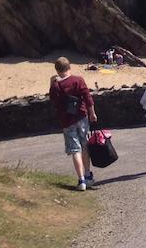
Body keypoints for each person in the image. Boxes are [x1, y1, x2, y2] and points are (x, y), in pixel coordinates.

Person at [49, 56, 97, 191]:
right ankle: (87, 175)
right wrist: (92, 113)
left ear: (57, 70)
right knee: (84, 145)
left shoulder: (56, 85)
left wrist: (52, 83)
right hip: (81, 116)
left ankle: (81, 180)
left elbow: (53, 99)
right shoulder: (78, 80)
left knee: (75, 150)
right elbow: (88, 97)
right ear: (69, 67)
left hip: (66, 120)